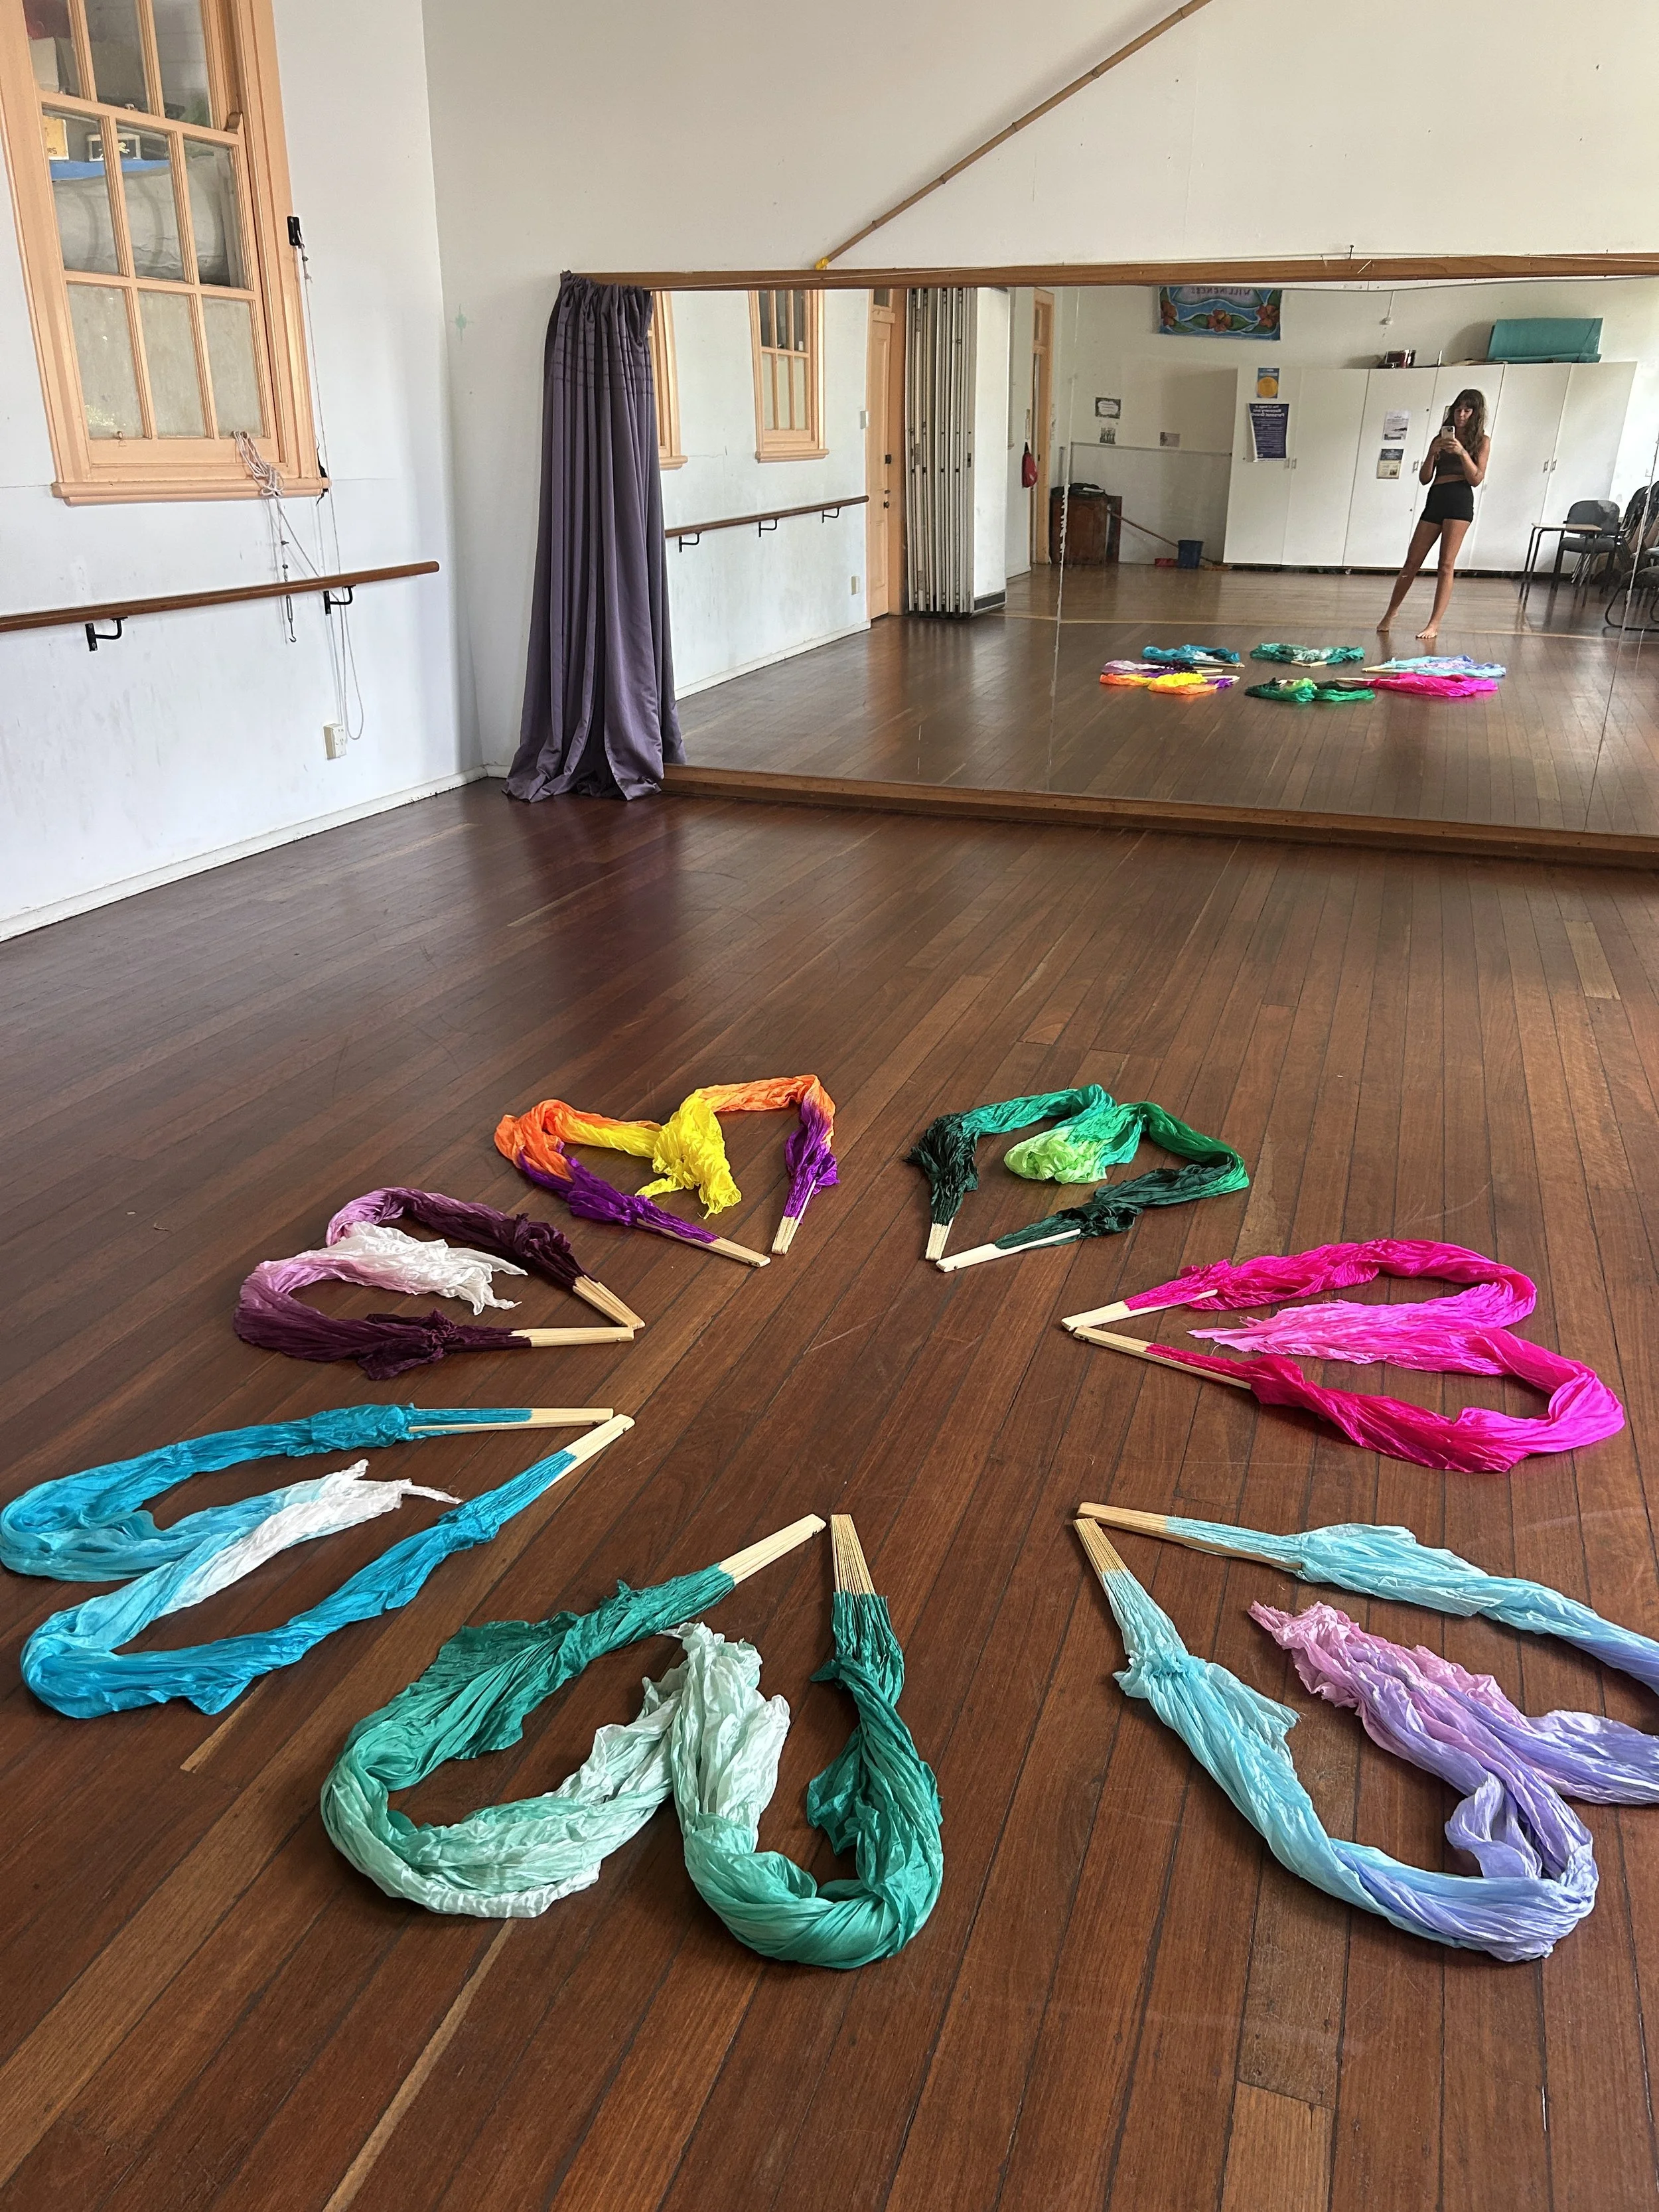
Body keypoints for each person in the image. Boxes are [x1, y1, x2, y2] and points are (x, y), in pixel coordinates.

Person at [1378, 389, 1490, 643]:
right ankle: (1390, 613)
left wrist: (1462, 452)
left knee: (1446, 565)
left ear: (1476, 414)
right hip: (1437, 498)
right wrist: (1432, 453)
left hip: (1460, 500)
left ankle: (1434, 623)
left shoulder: (1482, 441)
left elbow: (1476, 479)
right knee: (1411, 562)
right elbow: (1425, 478)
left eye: (1467, 410)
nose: (1461, 415)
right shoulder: (1439, 437)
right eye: (1458, 409)